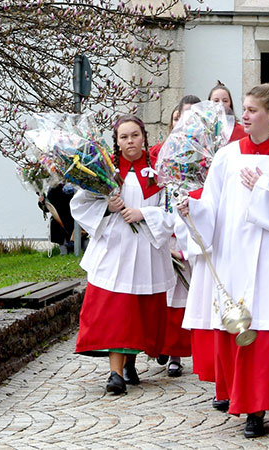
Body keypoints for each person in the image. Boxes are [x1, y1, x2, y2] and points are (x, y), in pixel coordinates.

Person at [178, 83, 269, 438]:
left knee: (268, 325)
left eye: (252, 110)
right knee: (243, 325)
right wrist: (191, 209)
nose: (244, 115)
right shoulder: (226, 157)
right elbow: (212, 206)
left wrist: (264, 190)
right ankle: (244, 402)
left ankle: (258, 407)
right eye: (244, 108)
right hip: (235, 255)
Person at [71, 115, 184, 394]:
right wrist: (107, 206)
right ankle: (115, 374)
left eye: (134, 135)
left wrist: (143, 213)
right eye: (124, 137)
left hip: (145, 248)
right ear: (117, 141)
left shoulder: (160, 170)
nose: (130, 142)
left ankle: (130, 362)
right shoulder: (104, 170)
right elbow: (81, 204)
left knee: (140, 310)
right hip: (115, 248)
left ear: (143, 136)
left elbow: (173, 209)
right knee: (116, 310)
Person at [38, 183, 79, 255]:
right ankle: (65, 252)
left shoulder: (74, 187)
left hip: (73, 220)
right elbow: (49, 208)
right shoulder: (54, 189)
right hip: (60, 222)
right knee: (63, 244)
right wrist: (42, 202)